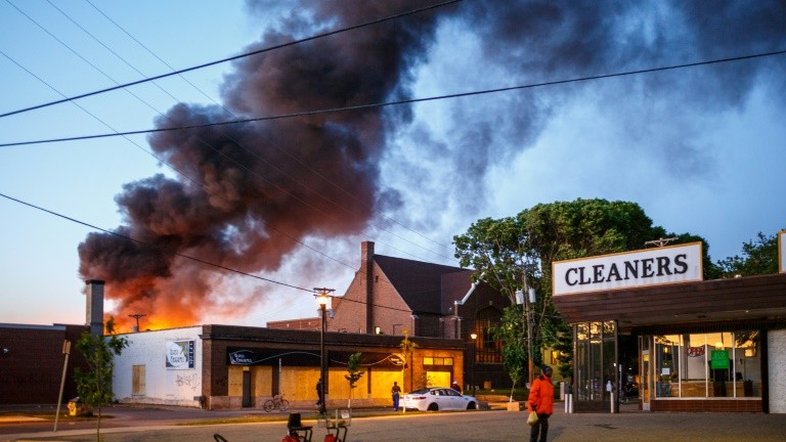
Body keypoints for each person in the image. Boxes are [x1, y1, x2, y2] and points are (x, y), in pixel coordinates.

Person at [528, 365, 554, 442]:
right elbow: (533, 394)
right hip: (537, 409)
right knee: (535, 429)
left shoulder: (549, 383)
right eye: (548, 371)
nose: (549, 373)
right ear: (543, 372)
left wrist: (550, 410)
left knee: (545, 427)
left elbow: (550, 398)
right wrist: (532, 405)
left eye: (550, 371)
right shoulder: (538, 381)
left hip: (545, 410)